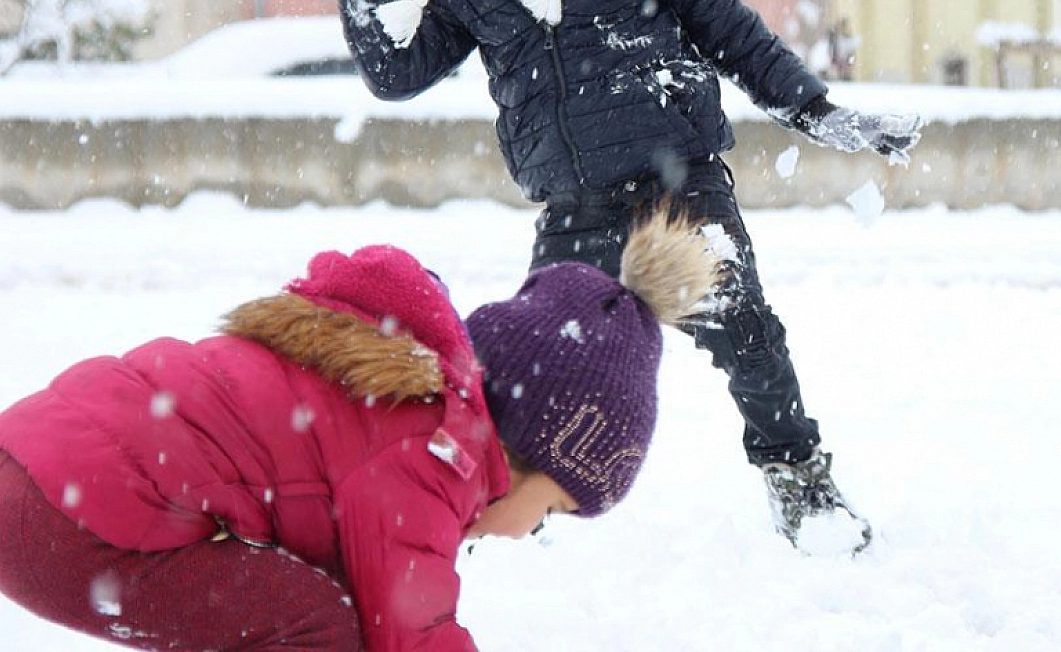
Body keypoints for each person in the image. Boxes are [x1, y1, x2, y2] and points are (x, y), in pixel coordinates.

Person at [310, 0, 921, 553]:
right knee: (527, 371)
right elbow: (396, 69)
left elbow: (729, 29)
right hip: (574, 205)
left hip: (679, 187)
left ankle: (799, 480)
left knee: (747, 333)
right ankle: (497, 499)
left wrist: (815, 109)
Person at [0, 209, 719, 651]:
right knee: (314, 624)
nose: (530, 531)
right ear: (528, 446)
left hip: (36, 474)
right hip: (61, 521)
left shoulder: (411, 406)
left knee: (303, 609)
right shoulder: (433, 453)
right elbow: (412, 632)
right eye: (556, 507)